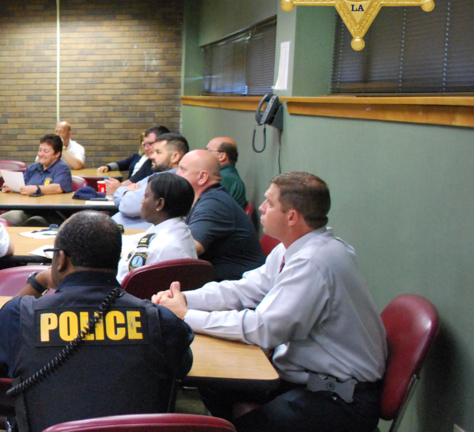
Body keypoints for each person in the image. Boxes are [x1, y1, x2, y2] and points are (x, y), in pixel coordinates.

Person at [153, 172, 386, 432]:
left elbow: (264, 329)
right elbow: (244, 290)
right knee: (215, 385)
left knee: (229, 424)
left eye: (270, 202)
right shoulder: (292, 249)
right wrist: (184, 299)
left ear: (292, 217)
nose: (261, 208)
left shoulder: (314, 261)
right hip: (306, 380)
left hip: (339, 399)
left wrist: (186, 316)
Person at [0, 211, 193, 432]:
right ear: (116, 260)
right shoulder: (159, 320)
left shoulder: (20, 316)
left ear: (61, 260)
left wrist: (38, 282)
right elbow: (182, 368)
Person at [176, 150, 264, 281]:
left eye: (183, 170)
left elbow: (190, 248)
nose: (177, 174)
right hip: (217, 277)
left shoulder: (214, 202)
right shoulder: (207, 197)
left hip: (236, 285)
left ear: (202, 177)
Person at [116, 172, 198, 283]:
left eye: (145, 196)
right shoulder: (177, 228)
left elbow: (124, 281)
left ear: (159, 204)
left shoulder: (160, 247)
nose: (142, 201)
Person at [112, 133, 189, 228]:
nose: (152, 156)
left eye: (158, 152)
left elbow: (128, 206)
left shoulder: (169, 183)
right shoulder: (156, 175)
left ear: (175, 157)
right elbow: (123, 196)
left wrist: (125, 193)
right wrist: (127, 193)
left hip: (136, 237)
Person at [0, 134, 73, 226]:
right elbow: (23, 185)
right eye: (40, 150)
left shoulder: (62, 168)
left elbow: (58, 188)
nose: (41, 154)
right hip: (28, 211)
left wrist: (37, 189)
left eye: (46, 151)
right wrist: (12, 187)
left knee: (33, 222)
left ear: (57, 154)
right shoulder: (34, 167)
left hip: (50, 215)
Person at [98, 125, 169, 184]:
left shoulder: (166, 169)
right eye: (144, 144)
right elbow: (132, 181)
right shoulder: (147, 161)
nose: (146, 148)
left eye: (150, 144)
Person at [207, 136, 247, 208]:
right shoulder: (229, 174)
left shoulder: (221, 178)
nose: (204, 154)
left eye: (208, 151)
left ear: (222, 156)